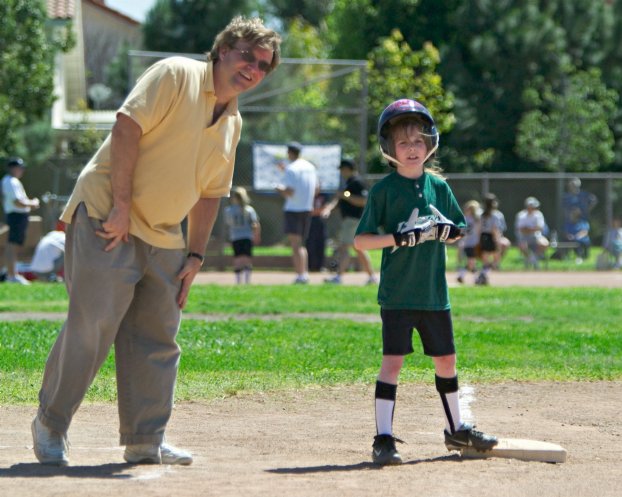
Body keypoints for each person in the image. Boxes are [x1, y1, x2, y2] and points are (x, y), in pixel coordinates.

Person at [31, 16, 281, 467]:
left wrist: (196, 255)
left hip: (165, 234)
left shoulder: (232, 122)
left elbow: (211, 194)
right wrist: (121, 207)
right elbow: (126, 126)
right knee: (94, 326)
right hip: (110, 216)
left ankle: (145, 439)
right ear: (223, 50)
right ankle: (51, 423)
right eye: (247, 54)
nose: (253, 68)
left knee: (158, 336)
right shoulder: (176, 73)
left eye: (263, 64)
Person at [353, 99, 497, 466]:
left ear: (430, 143)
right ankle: (383, 438)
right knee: (393, 362)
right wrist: (399, 239)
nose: (412, 148)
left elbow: (458, 231)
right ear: (389, 148)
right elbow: (361, 241)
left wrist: (448, 232)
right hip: (398, 295)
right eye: (403, 142)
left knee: (446, 360)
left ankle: (457, 429)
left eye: (418, 140)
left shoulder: (439, 187)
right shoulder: (384, 191)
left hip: (434, 295)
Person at [322, 158, 377, 285]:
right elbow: (339, 199)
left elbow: (362, 201)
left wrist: (345, 196)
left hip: (354, 219)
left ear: (348, 169)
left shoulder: (357, 182)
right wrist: (329, 208)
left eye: (342, 170)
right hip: (351, 219)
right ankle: (372, 277)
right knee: (359, 248)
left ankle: (338, 277)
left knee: (344, 248)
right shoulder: (348, 183)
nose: (341, 172)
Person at [275, 141, 318, 284]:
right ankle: (304, 273)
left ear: (290, 153)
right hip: (306, 209)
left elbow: (289, 191)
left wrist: (278, 188)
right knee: (301, 245)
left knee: (295, 245)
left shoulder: (291, 168)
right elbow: (317, 188)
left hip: (293, 209)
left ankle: (300, 275)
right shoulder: (310, 167)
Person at [1, 157, 40, 284]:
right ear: (12, 168)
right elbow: (17, 202)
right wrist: (32, 203)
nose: (22, 170)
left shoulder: (13, 181)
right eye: (20, 168)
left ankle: (12, 273)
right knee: (12, 244)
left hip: (18, 216)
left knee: (14, 244)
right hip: (16, 215)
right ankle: (12, 275)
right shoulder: (10, 181)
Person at [223, 186, 261, 284]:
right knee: (247, 258)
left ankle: (238, 281)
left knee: (238, 258)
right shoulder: (249, 209)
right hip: (247, 236)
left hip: (235, 237)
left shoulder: (228, 210)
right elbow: (255, 224)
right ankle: (247, 281)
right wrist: (257, 235)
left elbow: (228, 224)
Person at [475, 193, 511, 285]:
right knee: (495, 260)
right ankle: (483, 275)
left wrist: (479, 240)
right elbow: (495, 229)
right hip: (492, 237)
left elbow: (478, 229)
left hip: (483, 236)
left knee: (486, 261)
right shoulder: (496, 215)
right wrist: (497, 242)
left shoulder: (480, 214)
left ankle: (482, 276)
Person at [515, 196, 549, 268]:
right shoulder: (521, 215)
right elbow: (521, 229)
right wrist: (532, 229)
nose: (533, 208)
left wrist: (528, 229)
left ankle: (533, 259)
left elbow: (540, 228)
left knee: (545, 243)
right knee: (522, 245)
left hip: (536, 236)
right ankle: (531, 259)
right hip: (524, 236)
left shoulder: (539, 214)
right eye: (532, 206)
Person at [456, 200, 481, 284]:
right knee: (471, 261)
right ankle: (476, 278)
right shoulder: (476, 219)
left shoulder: (466, 218)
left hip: (470, 243)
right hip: (471, 243)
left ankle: (462, 275)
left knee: (471, 261)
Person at [305, 187, 329, 272]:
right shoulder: (306, 195)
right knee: (309, 244)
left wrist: (320, 211)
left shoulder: (324, 196)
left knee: (321, 243)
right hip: (309, 221)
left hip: (320, 221)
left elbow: (326, 208)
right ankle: (309, 265)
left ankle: (320, 266)